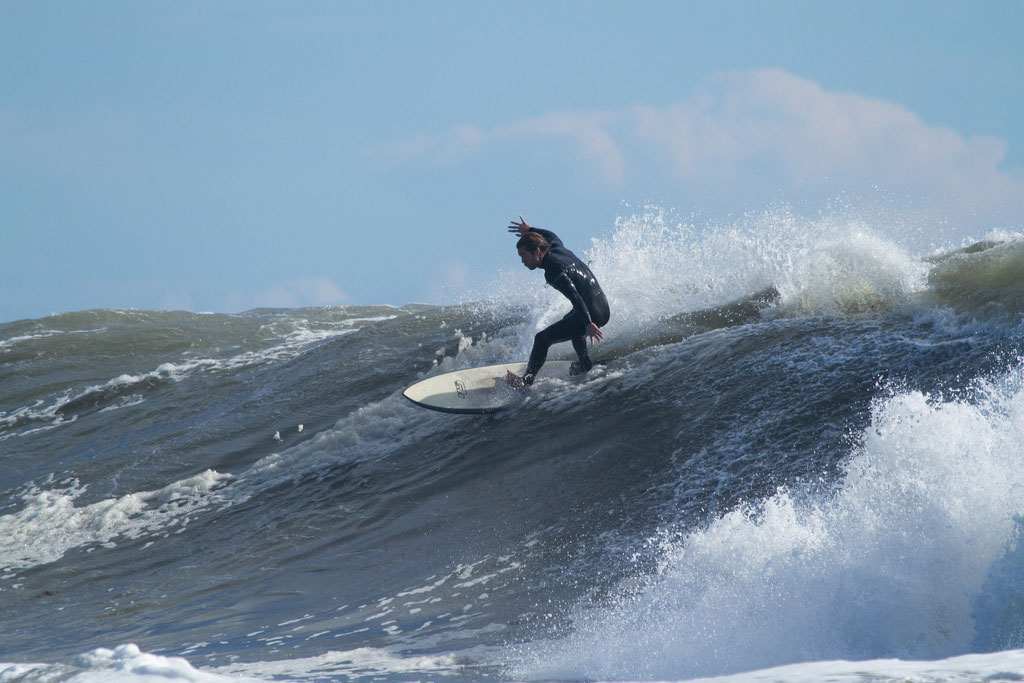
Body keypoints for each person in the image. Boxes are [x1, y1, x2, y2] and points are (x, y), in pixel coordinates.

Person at [505, 216, 610, 388]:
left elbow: (574, 296)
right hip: (602, 305)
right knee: (571, 321)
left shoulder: (552, 270)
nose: (523, 261)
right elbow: (551, 234)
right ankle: (585, 364)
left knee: (542, 339)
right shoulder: (555, 246)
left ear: (537, 251)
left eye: (524, 256)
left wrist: (588, 323)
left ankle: (526, 382)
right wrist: (531, 230)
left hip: (593, 312)